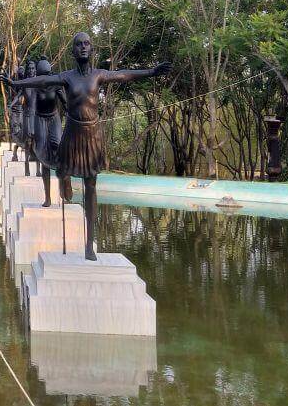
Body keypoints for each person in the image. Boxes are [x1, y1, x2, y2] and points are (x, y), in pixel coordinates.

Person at [10, 32, 170, 260]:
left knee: (91, 185)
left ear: (92, 49)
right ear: (73, 51)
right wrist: (16, 82)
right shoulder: (67, 77)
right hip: (72, 133)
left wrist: (152, 72)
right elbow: (43, 81)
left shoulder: (99, 75)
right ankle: (64, 179)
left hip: (92, 134)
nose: (83, 48)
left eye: (87, 44)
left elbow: (124, 75)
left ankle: (88, 245)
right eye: (78, 45)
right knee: (62, 168)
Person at [31, 57, 73, 207]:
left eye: (47, 77)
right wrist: (31, 128)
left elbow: (66, 104)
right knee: (43, 155)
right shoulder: (35, 86)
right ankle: (47, 197)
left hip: (54, 118)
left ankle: (65, 177)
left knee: (58, 146)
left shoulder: (56, 85)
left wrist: (74, 116)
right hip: (39, 119)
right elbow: (30, 108)